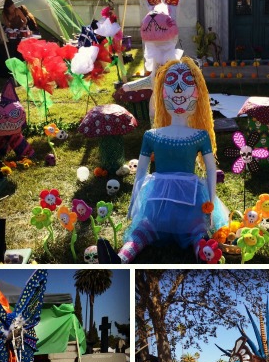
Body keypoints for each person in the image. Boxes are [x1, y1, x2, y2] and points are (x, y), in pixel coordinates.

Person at [98, 57, 228, 263]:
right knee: (146, 228)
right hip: (166, 196)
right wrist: (134, 202)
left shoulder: (199, 136)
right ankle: (121, 258)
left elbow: (211, 170)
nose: (178, 90)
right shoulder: (152, 135)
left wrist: (210, 204)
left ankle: (204, 254)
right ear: (161, 92)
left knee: (193, 231)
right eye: (171, 83)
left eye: (186, 82)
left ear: (197, 92)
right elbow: (140, 171)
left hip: (184, 197)